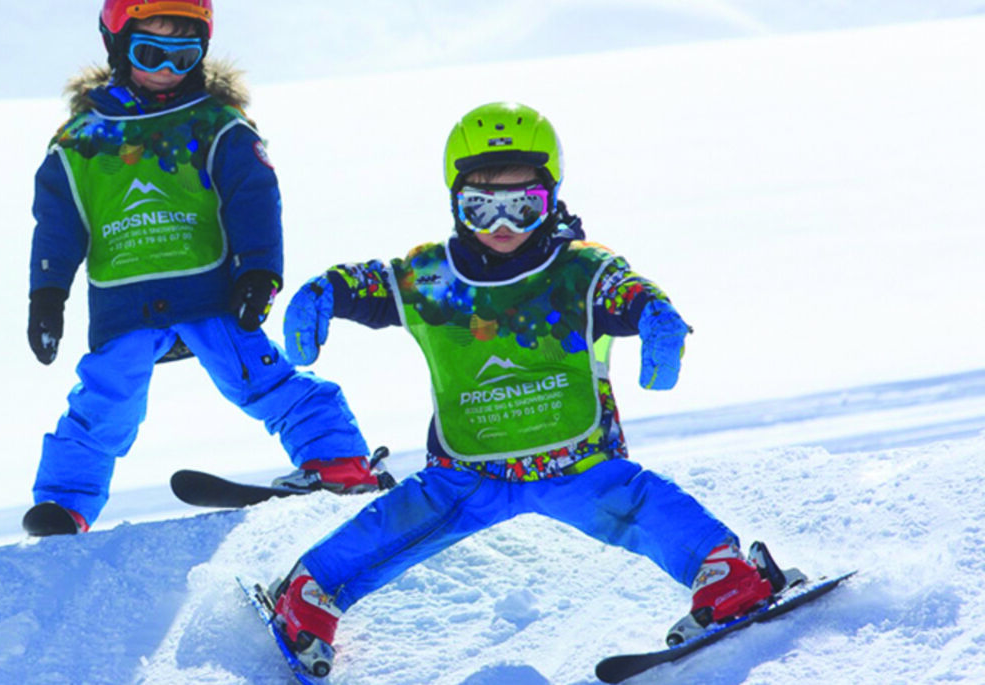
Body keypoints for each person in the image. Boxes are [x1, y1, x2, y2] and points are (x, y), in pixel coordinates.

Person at [263, 102, 789, 678]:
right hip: (469, 474)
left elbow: (627, 292)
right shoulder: (433, 276)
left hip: (578, 467)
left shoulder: (579, 271)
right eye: (481, 207)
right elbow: (369, 283)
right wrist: (325, 291)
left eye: (523, 205)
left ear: (551, 197)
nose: (503, 225)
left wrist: (654, 315)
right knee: (401, 519)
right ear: (455, 202)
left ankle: (726, 573)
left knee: (640, 503)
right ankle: (311, 591)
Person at [20, 0, 381, 537]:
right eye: (151, 54)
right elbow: (57, 223)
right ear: (117, 47)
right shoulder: (81, 141)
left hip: (208, 293)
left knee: (259, 377)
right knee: (105, 400)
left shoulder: (217, 125)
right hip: (124, 301)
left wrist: (258, 273)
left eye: (184, 56)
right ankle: (64, 504)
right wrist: (47, 295)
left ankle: (337, 459)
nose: (168, 69)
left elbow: (253, 198)